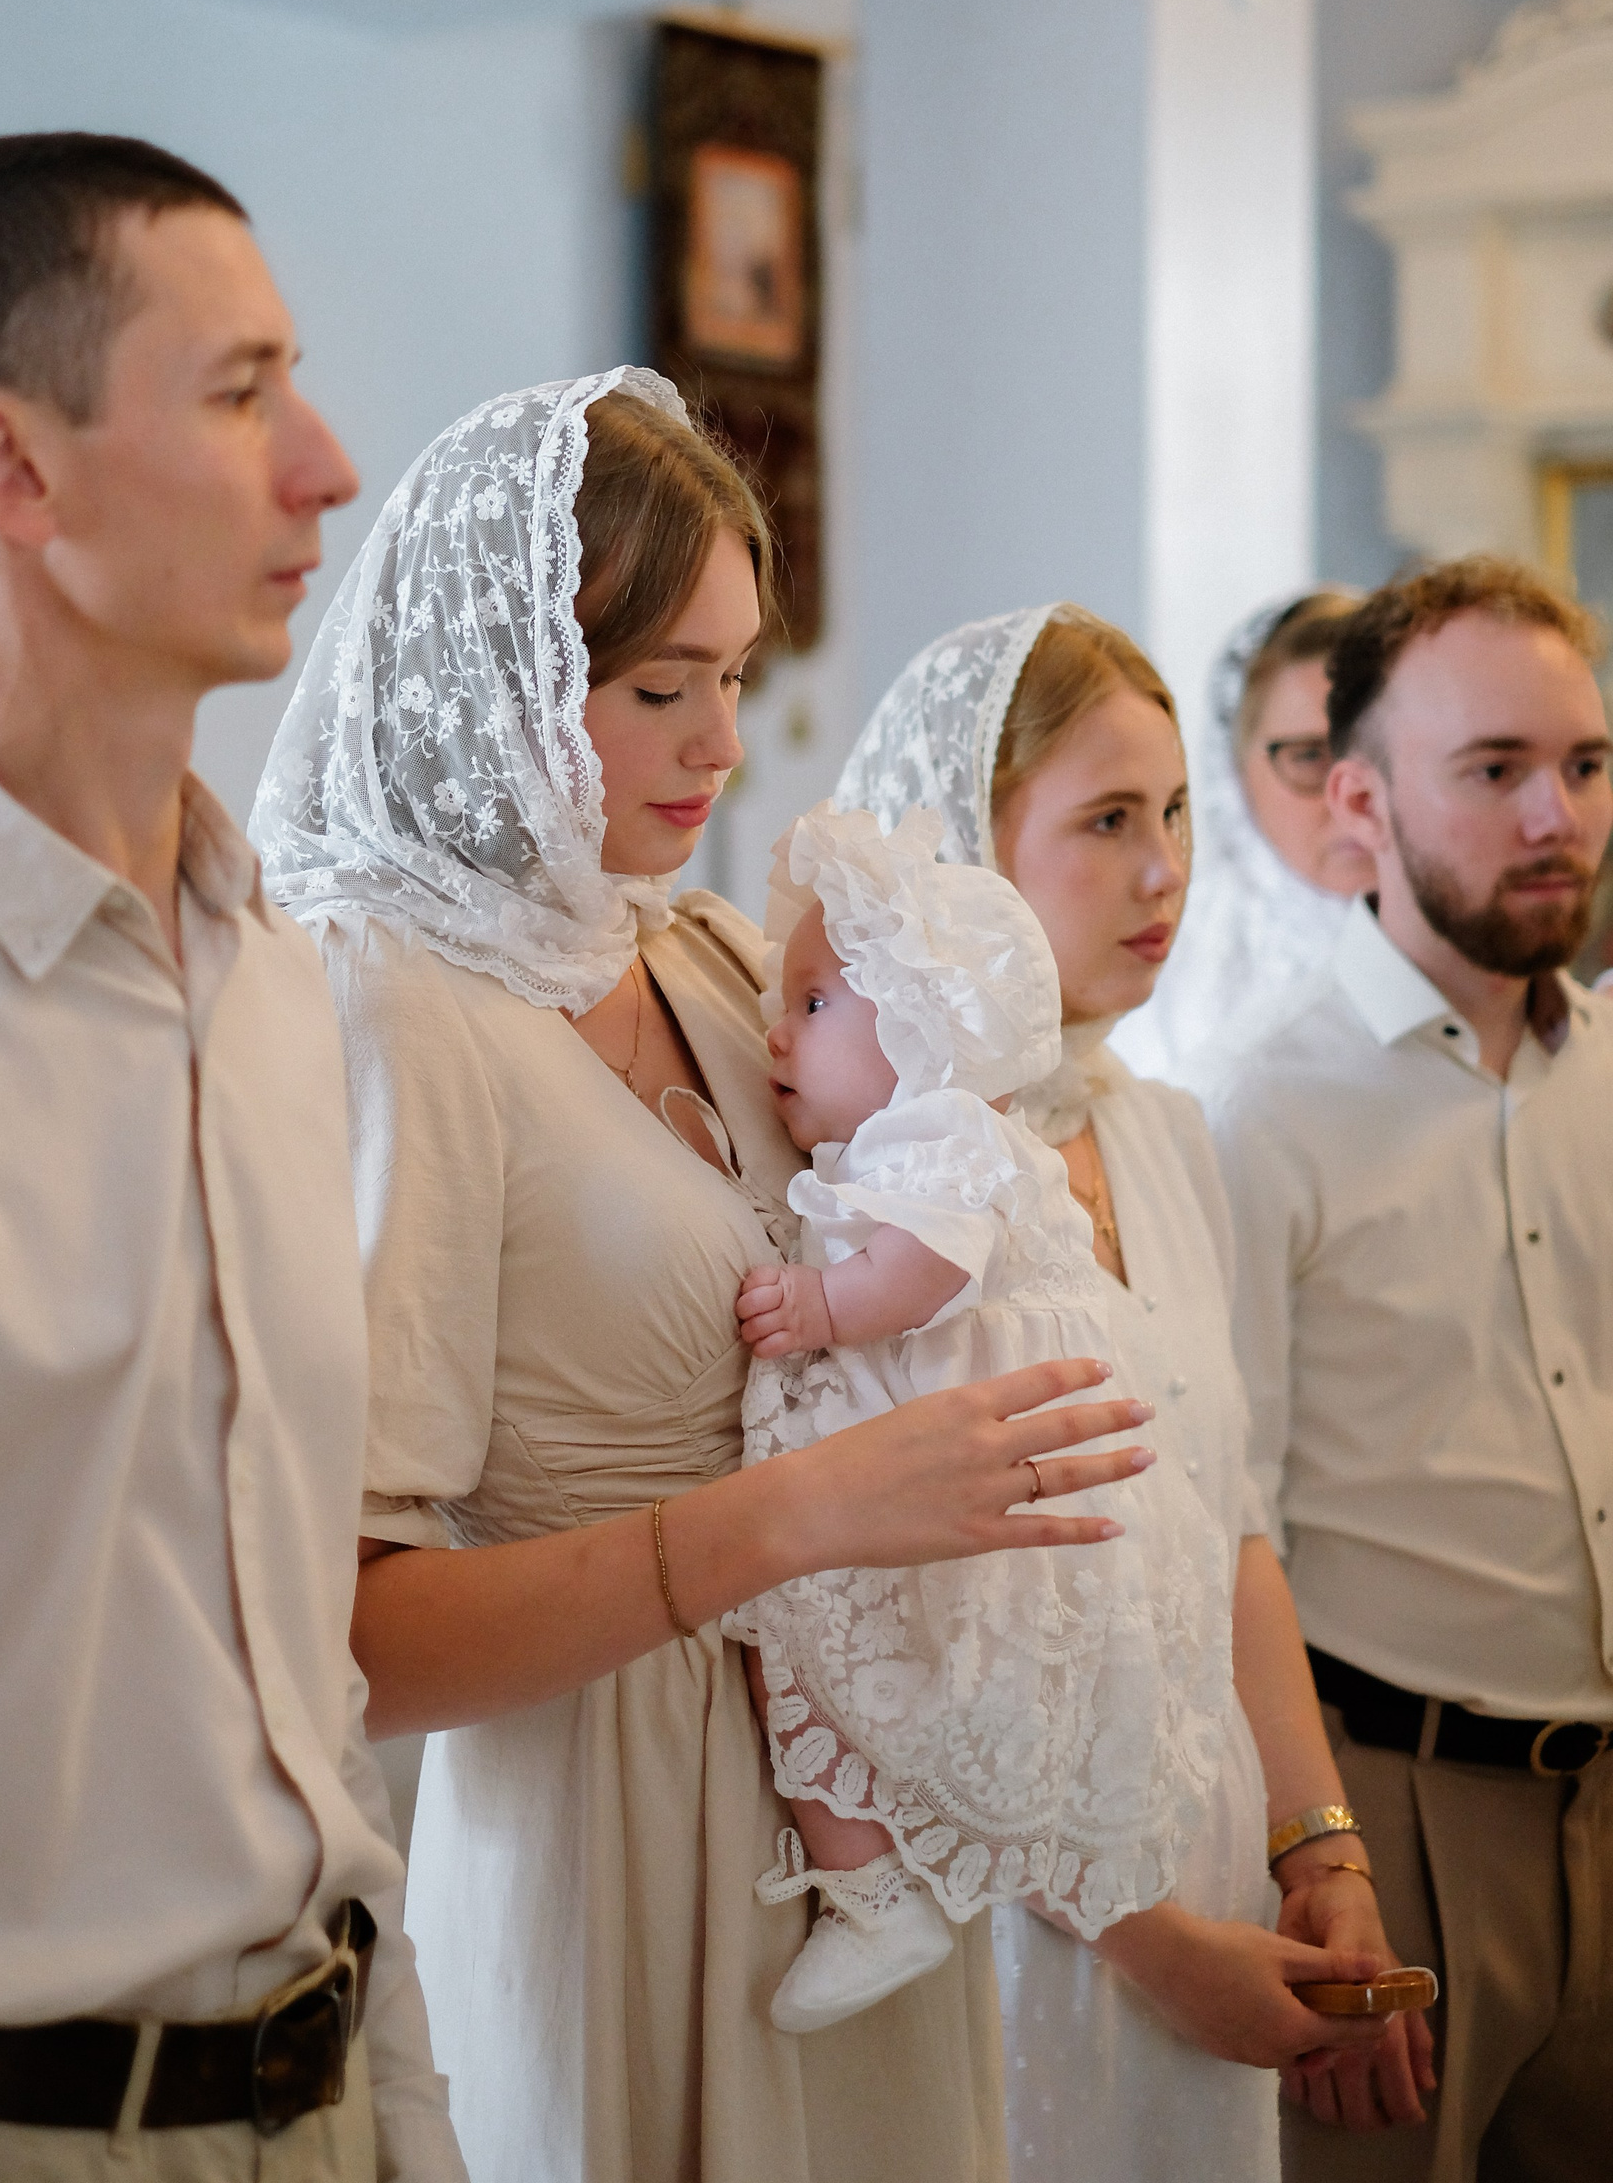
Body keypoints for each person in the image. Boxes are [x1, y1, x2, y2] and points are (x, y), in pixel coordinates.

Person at [250, 374, 1157, 2183]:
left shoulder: (715, 954)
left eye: (737, 678)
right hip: (613, 1827)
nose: (724, 742)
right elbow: (344, 1636)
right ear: (507, 677)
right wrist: (799, 1514)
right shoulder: (386, 1006)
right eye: (662, 688)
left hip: (853, 1812)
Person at [0, 134, 463, 2183]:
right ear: (8, 470)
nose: (326, 466)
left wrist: (409, 2128)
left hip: (316, 2110)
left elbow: (305, 1693)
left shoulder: (271, 979)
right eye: (242, 393)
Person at [838, 605, 1427, 2183]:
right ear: (967, 850)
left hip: (1208, 1872)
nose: (1167, 870)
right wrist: (1156, 1947)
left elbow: (1232, 1527)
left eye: (1173, 813)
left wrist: (1321, 1850)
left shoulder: (1162, 1132)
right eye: (1107, 821)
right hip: (1016, 1924)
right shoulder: (900, 1185)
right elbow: (902, 1653)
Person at [1210, 554, 1613, 2182]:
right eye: (1495, 771)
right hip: (1394, 1811)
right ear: (1362, 802)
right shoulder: (1261, 1110)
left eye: (1584, 764)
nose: (1557, 818)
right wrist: (1318, 1860)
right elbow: (1228, 1524)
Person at [731, 800, 1231, 2034]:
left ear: (923, 1028)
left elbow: (929, 1266)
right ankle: (874, 1880)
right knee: (820, 1646)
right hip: (941, 1459)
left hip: (973, 1471)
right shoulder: (908, 1139)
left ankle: (875, 1887)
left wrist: (824, 1304)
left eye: (814, 1004)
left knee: (815, 1632)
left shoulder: (950, 1133)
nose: (775, 1031)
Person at [1115, 589, 1372, 1092]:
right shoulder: (1166, 967)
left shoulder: (1482, 942)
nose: (1354, 797)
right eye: (1309, 756)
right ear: (1233, 772)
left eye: (1379, 753)